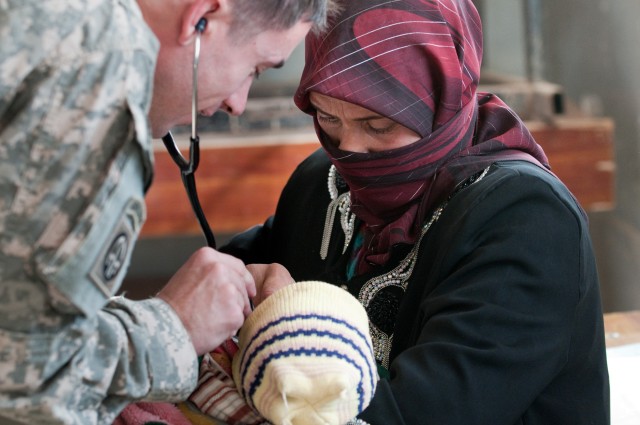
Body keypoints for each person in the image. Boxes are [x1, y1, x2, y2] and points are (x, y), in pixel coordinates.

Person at [220, 0, 611, 423]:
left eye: (379, 126)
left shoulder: (526, 220)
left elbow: (423, 414)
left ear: (440, 102)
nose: (349, 149)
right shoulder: (325, 180)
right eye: (328, 117)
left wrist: (290, 323)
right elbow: (231, 279)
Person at [0, 0, 339, 423]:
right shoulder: (94, 78)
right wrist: (172, 327)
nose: (238, 102)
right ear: (203, 17)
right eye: (256, 68)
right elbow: (25, 387)